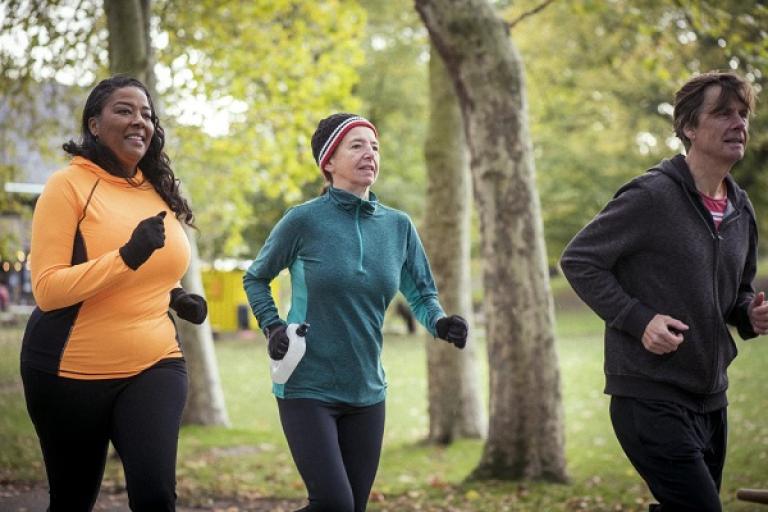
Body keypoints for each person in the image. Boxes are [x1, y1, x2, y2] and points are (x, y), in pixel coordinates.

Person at [560, 71, 766, 511]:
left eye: (743, 114)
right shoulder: (652, 195)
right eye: (723, 113)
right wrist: (639, 320)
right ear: (689, 127)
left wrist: (750, 314)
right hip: (649, 395)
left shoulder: (740, 208)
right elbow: (579, 260)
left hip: (712, 399)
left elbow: (737, 295)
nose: (739, 123)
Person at [243, 113, 468, 512]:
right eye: (357, 145)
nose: (370, 154)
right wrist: (272, 326)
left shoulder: (399, 226)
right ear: (329, 161)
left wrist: (440, 322)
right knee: (334, 504)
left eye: (375, 147)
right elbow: (256, 277)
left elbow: (421, 293)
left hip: (367, 389)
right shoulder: (303, 220)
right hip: (307, 385)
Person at [20, 75, 207, 511]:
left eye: (146, 113)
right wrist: (126, 257)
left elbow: (154, 268)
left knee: (156, 496)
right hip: (69, 374)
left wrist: (176, 295)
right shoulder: (66, 187)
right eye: (124, 110)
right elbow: (47, 290)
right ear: (95, 125)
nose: (138, 120)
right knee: (72, 501)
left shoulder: (155, 188)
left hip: (154, 362)